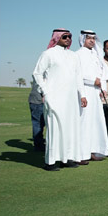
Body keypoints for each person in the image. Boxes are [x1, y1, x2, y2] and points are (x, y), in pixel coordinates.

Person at [32, 29, 87, 171]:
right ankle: (50, 162)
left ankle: (66, 159)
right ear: (57, 38)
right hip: (54, 98)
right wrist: (45, 91)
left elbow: (78, 76)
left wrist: (83, 95)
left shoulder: (73, 55)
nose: (68, 39)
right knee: (55, 130)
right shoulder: (48, 54)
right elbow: (37, 73)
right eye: (65, 37)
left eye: (70, 37)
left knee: (70, 129)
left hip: (71, 100)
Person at [76, 30, 108, 162]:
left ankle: (93, 151)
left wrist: (103, 88)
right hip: (84, 91)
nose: (91, 41)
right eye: (88, 38)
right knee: (84, 123)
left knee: (96, 122)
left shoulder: (96, 55)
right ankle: (81, 154)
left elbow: (103, 73)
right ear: (83, 39)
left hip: (96, 93)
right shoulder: (77, 55)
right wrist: (92, 81)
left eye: (93, 38)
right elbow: (78, 75)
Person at [28, 80, 46, 152]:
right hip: (38, 101)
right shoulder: (43, 72)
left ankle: (38, 144)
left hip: (34, 100)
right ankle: (39, 146)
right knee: (38, 124)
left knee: (38, 124)